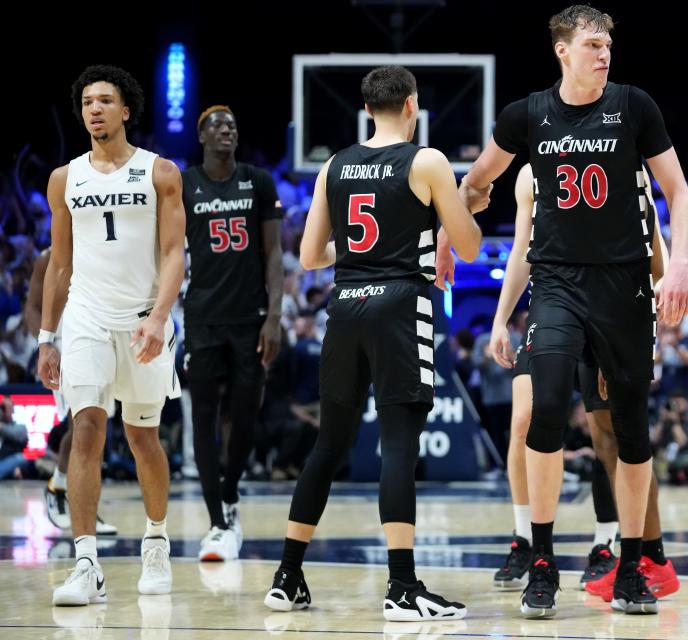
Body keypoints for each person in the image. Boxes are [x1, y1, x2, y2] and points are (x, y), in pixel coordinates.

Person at [451, 4, 688, 618]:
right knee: (546, 407)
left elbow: (679, 195)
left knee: (630, 431)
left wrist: (682, 264)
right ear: (562, 50)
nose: (604, 51)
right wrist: (454, 235)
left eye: (608, 41)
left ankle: (635, 564)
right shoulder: (527, 114)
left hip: (624, 290)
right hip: (557, 286)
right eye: (592, 42)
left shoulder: (634, 106)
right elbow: (476, 182)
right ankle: (541, 560)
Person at [262, 65, 484, 621]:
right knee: (400, 441)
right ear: (412, 105)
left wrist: (366, 251)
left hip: (346, 304)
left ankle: (288, 575)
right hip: (399, 305)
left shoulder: (334, 165)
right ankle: (403, 586)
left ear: (367, 109)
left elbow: (311, 257)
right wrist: (450, 214)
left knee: (329, 445)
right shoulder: (427, 161)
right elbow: (472, 246)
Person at [486, 164, 681, 601]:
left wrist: (663, 289)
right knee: (527, 416)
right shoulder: (529, 171)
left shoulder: (622, 153)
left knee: (614, 433)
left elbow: (651, 231)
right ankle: (528, 543)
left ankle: (632, 550)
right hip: (553, 306)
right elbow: (522, 249)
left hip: (613, 306)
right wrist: (501, 319)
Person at [40, 65, 185, 606]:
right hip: (86, 317)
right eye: (86, 102)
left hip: (144, 318)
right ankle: (85, 564)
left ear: (126, 111)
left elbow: (175, 254)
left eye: (105, 100)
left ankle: (156, 540)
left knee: (142, 435)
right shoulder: (65, 178)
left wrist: (159, 317)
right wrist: (46, 336)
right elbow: (59, 263)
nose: (94, 109)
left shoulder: (160, 172)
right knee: (86, 429)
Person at [181, 105, 284, 562]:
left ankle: (229, 489)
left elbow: (275, 251)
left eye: (232, 125)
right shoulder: (183, 184)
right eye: (217, 125)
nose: (227, 130)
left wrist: (275, 316)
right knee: (203, 415)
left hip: (250, 318)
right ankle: (217, 519)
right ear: (202, 136)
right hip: (202, 317)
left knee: (244, 415)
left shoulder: (257, 181)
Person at [26, 249, 118, 535]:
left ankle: (85, 510)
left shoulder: (101, 246)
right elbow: (32, 308)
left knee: (96, 427)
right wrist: (46, 345)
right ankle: (58, 487)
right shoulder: (48, 257)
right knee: (80, 422)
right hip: (65, 343)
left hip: (100, 337)